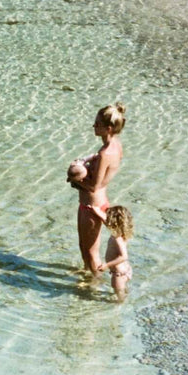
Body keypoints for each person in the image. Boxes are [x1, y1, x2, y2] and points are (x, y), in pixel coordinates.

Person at [72, 103, 126, 273]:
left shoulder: (105, 153)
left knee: (90, 251)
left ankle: (93, 284)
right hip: (99, 202)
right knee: (85, 246)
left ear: (108, 128)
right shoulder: (116, 145)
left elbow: (94, 186)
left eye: (97, 124)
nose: (93, 126)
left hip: (92, 205)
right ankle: (88, 275)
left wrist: (74, 179)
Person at [94, 204, 134, 301]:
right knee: (123, 291)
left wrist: (107, 265)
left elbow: (123, 256)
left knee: (119, 297)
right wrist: (96, 211)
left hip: (118, 274)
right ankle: (127, 298)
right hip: (125, 270)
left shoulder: (117, 238)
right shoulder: (122, 233)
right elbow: (107, 223)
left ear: (113, 223)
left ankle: (120, 310)